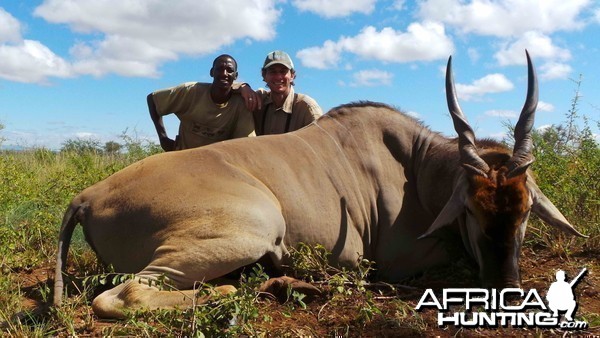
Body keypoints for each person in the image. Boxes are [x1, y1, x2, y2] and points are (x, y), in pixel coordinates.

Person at [147, 54, 256, 151]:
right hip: (182, 157)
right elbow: (153, 100)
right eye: (219, 69)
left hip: (217, 165)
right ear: (212, 72)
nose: (224, 73)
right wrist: (163, 138)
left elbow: (245, 144)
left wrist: (244, 86)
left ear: (236, 76)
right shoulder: (191, 91)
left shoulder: (241, 103)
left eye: (229, 70)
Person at [241, 50, 322, 135]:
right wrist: (243, 87)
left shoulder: (307, 107)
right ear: (264, 75)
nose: (278, 77)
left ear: (292, 76)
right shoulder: (259, 99)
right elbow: (228, 88)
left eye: (283, 71)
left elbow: (322, 141)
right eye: (273, 72)